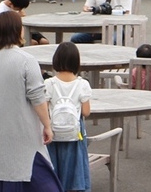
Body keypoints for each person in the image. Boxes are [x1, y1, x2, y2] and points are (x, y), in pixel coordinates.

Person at [0, 11, 62, 192]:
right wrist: (47, 125)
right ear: (18, 31)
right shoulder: (27, 60)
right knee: (30, 171)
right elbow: (37, 98)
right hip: (19, 127)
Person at [45, 42, 93, 192]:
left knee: (54, 167)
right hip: (75, 135)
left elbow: (44, 110)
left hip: (54, 134)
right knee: (76, 167)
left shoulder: (49, 83)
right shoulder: (82, 84)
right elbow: (85, 112)